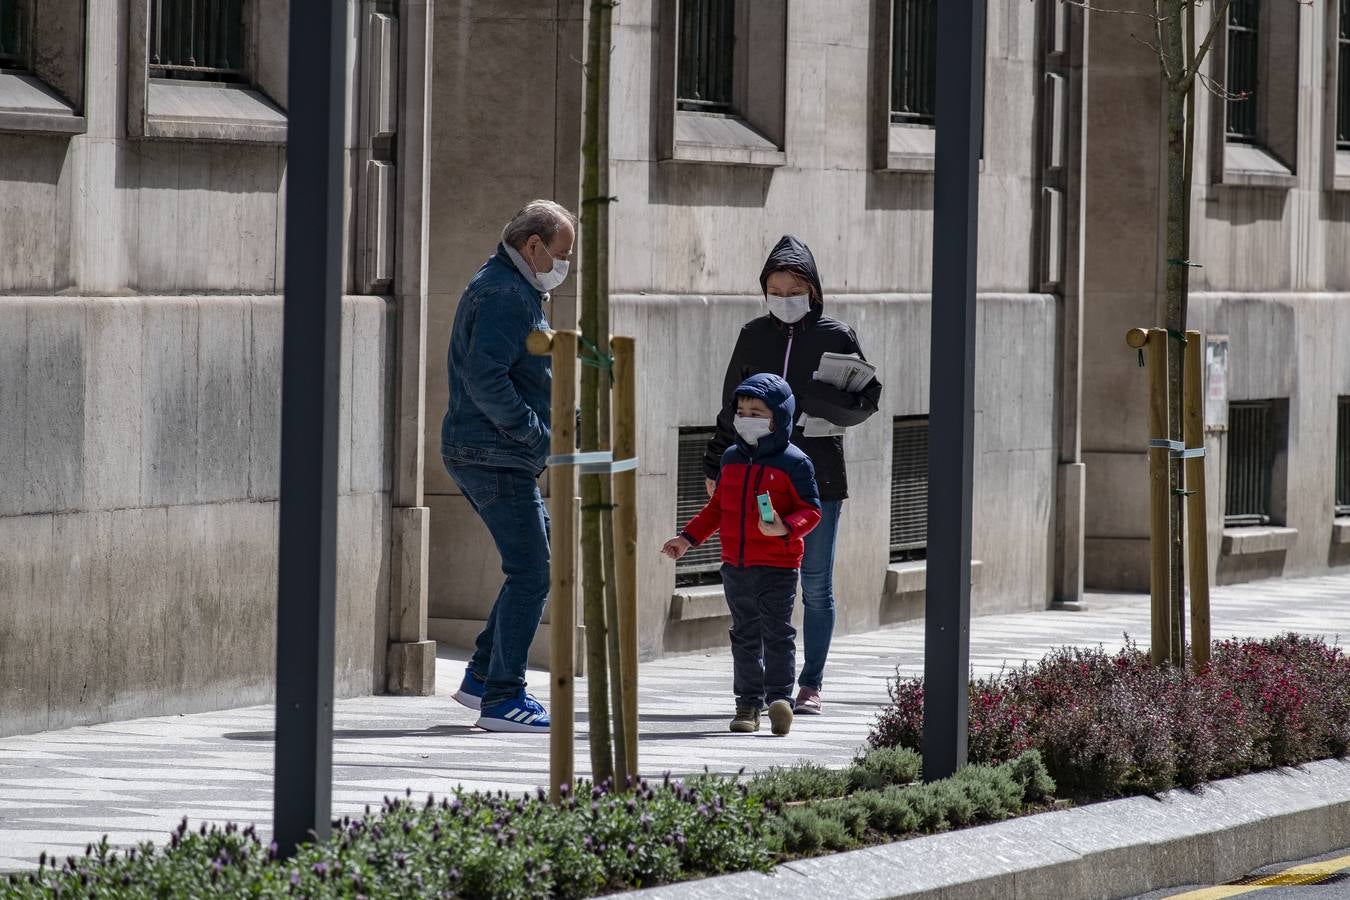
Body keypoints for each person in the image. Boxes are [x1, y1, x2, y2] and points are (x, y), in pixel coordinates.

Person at [702, 235, 883, 716]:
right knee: (758, 584)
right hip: (756, 476)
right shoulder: (753, 335)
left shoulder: (836, 335)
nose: (784, 301)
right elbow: (729, 404)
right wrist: (714, 464)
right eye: (775, 292)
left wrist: (820, 401)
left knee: (816, 584)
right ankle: (762, 689)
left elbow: (867, 397)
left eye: (793, 291)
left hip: (816, 477)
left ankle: (811, 683)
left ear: (813, 292)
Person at [441, 199, 577, 733]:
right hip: (493, 453)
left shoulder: (512, 284)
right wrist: (536, 434)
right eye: (561, 254)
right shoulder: (504, 293)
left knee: (531, 564)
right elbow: (486, 379)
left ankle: (480, 676)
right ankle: (503, 696)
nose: (565, 265)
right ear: (533, 245)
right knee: (533, 571)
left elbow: (516, 372)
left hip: (491, 451)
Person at [665, 374, 822, 736]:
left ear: (778, 417)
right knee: (744, 634)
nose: (746, 417)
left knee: (778, 633)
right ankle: (747, 704)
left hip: (778, 565)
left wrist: (785, 526)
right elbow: (717, 508)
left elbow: (812, 510)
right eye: (741, 410)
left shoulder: (795, 463)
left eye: (757, 411)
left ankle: (780, 698)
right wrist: (687, 539)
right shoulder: (731, 459)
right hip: (735, 566)